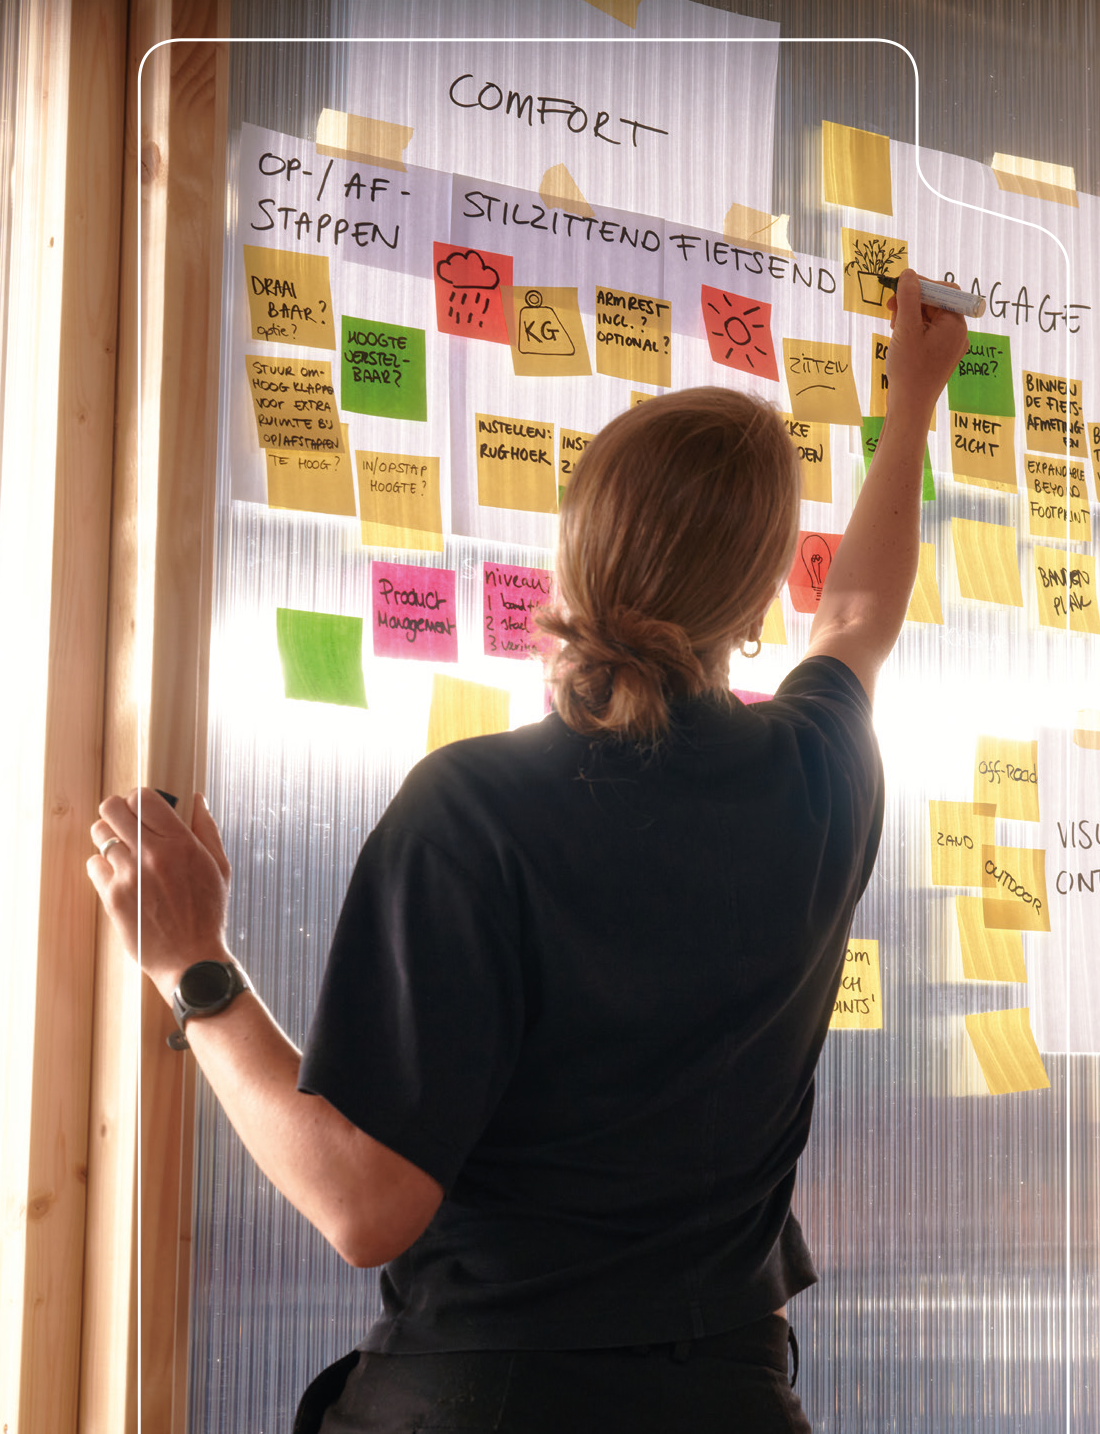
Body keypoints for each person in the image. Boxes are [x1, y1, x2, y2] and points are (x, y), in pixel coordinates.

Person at [88, 269, 968, 1432]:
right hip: (731, 1399)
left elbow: (363, 1206)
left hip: (486, 1400)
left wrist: (192, 966)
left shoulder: (472, 807)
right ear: (759, 599)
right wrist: (911, 406)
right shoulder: (818, 774)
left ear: (569, 559)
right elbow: (856, 616)